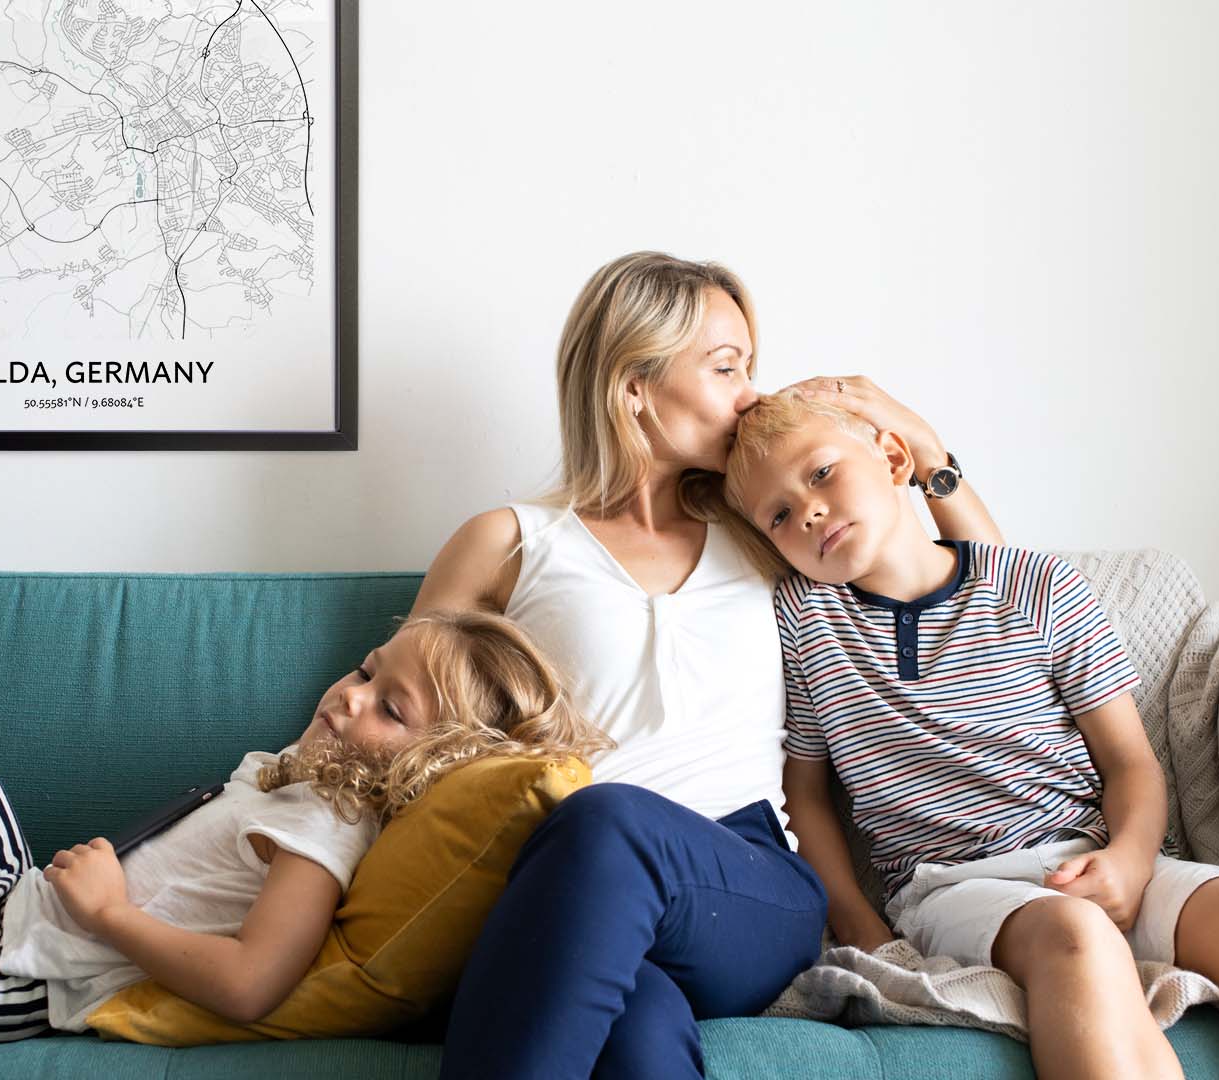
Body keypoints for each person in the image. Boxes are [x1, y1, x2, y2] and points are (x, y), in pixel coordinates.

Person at [417, 251, 1005, 1078]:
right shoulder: (510, 542)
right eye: (727, 368)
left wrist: (923, 443)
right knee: (636, 1027)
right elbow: (396, 719)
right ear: (634, 386)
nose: (751, 395)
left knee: (608, 820)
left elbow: (978, 600)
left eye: (750, 368)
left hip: (750, 883)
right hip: (574, 880)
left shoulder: (769, 529)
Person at [721, 388, 1219, 1080]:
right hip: (953, 888)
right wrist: (861, 925)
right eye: (778, 515)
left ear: (894, 460)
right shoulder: (805, 621)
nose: (807, 510)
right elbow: (804, 794)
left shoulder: (1038, 584)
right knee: (1076, 933)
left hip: (1089, 853)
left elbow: (1130, 761)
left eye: (822, 472)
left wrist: (1131, 860)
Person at [0, 611, 607, 1052]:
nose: (351, 697)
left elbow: (252, 983)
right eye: (365, 670)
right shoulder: (303, 773)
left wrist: (110, 916)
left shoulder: (330, 823)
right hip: (10, 905)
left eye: (390, 709)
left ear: (433, 763)